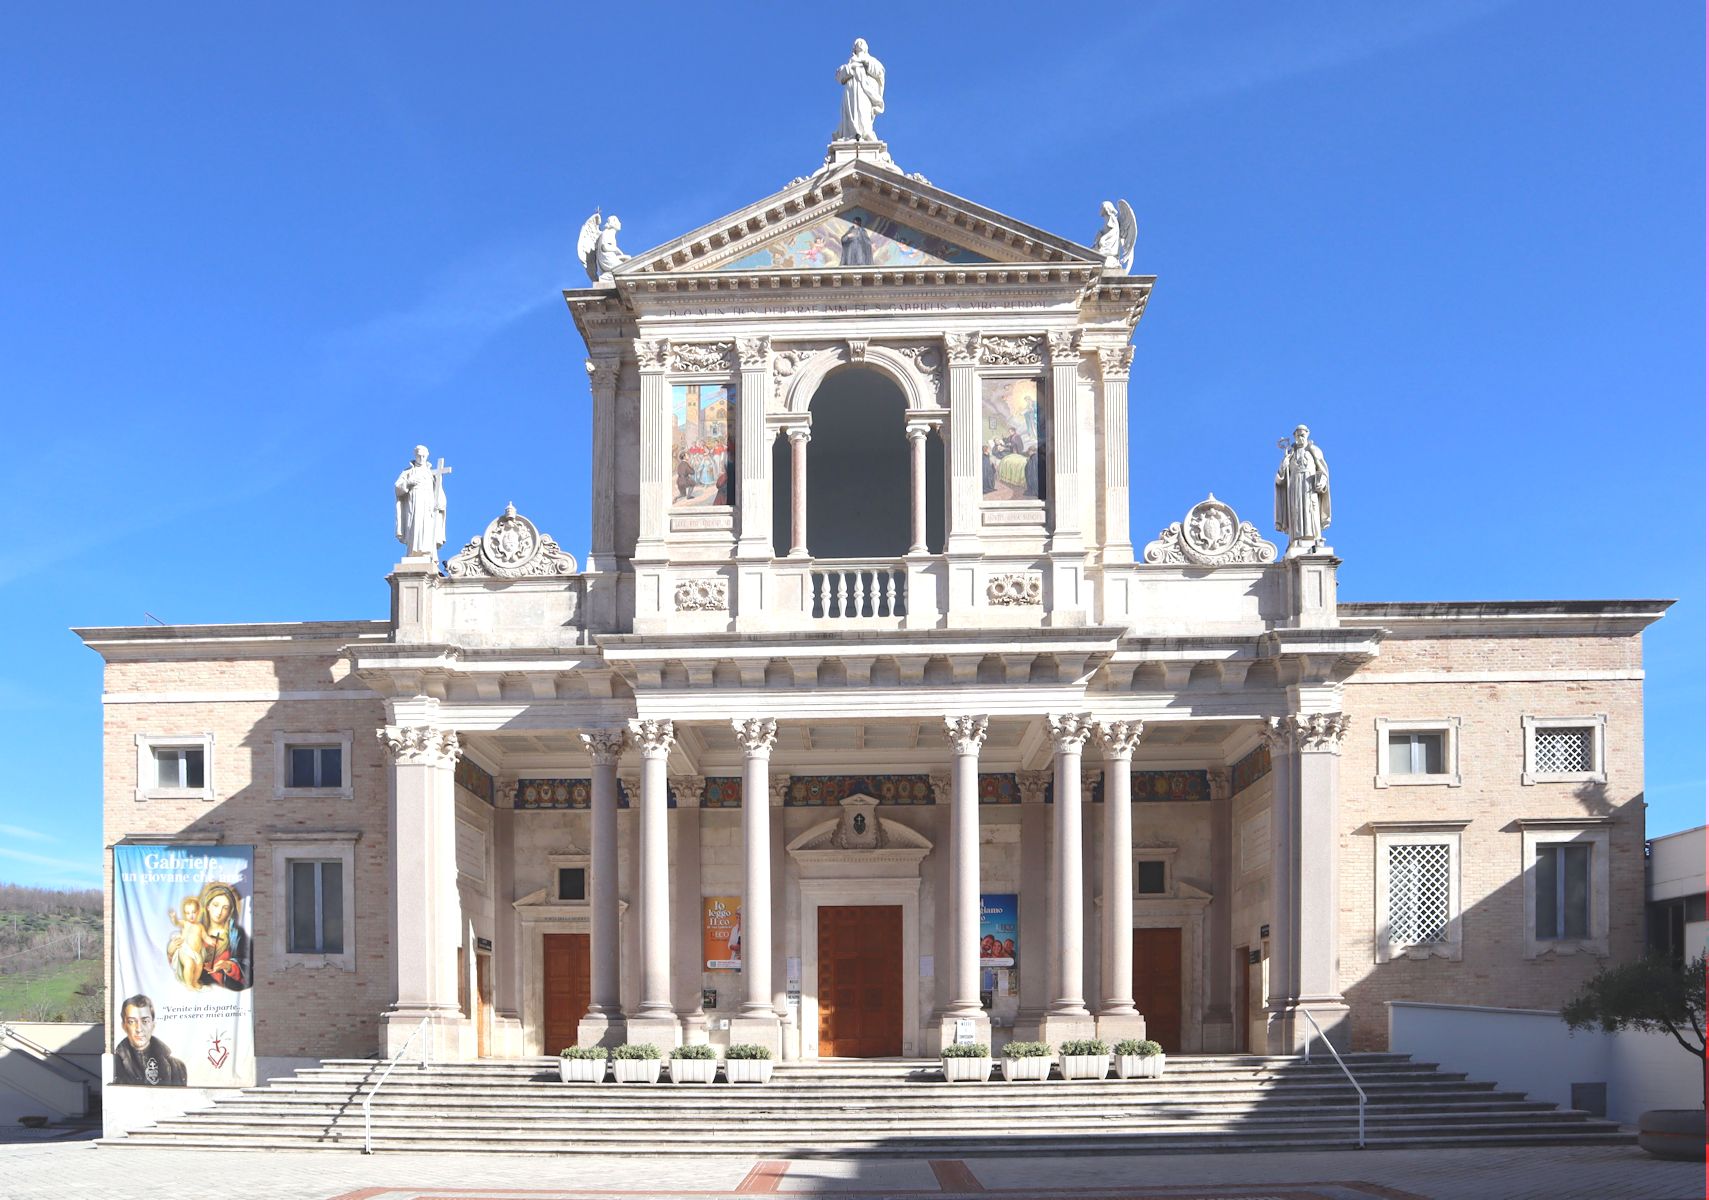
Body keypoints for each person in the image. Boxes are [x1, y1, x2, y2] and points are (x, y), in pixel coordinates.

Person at [1273, 424, 1332, 553]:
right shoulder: (1290, 455)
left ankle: (1315, 539)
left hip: (1310, 487)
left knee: (1311, 510)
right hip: (1295, 489)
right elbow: (1279, 479)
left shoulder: (1314, 451)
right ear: (1294, 437)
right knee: (1296, 510)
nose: (1300, 438)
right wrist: (1284, 466)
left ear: (1307, 435)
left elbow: (1323, 472)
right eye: (1298, 435)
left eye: (1303, 435)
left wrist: (1322, 480)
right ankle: (1297, 538)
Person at [111, 995, 187, 1087]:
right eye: (131, 1021)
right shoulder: (113, 1065)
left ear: (153, 1025)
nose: (139, 1029)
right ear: (124, 1026)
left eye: (145, 1021)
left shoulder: (177, 1067)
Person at [394, 445, 448, 558]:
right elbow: (398, 488)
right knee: (414, 525)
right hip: (414, 502)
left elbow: (438, 490)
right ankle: (413, 552)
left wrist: (440, 502)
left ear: (427, 456)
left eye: (423, 456)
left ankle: (427, 552)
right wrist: (409, 482)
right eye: (419, 456)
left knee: (427, 525)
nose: (421, 458)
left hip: (428, 503)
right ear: (415, 455)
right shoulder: (408, 472)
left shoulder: (432, 473)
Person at [833, 39, 886, 142]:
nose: (860, 44)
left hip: (865, 90)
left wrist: (866, 63)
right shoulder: (850, 63)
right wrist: (851, 68)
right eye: (857, 43)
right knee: (851, 110)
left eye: (862, 43)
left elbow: (880, 73)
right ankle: (851, 134)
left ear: (866, 48)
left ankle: (865, 133)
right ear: (854, 48)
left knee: (863, 109)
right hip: (851, 89)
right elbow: (839, 76)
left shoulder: (871, 60)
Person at [167, 897, 208, 991]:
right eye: (188, 913)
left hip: (196, 953)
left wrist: (211, 941)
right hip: (185, 949)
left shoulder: (200, 926)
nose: (191, 915)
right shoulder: (185, 923)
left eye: (193, 912)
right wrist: (174, 918)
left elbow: (205, 937)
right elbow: (177, 922)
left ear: (198, 912)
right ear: (185, 914)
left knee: (199, 965)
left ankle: (194, 981)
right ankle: (189, 984)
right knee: (189, 963)